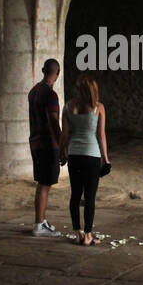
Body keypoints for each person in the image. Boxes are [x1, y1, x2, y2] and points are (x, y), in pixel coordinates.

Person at [60, 73, 110, 246]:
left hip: (74, 155)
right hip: (92, 156)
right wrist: (106, 159)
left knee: (75, 195)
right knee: (90, 197)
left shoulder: (67, 107)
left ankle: (77, 233)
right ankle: (88, 235)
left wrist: (62, 153)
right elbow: (101, 135)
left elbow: (64, 135)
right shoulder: (99, 108)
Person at [28, 58, 64, 236]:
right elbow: (53, 122)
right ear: (58, 74)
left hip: (35, 142)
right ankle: (39, 225)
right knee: (45, 184)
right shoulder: (50, 95)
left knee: (42, 183)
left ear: (43, 70)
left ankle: (40, 220)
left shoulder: (33, 91)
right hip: (47, 145)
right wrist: (62, 146)